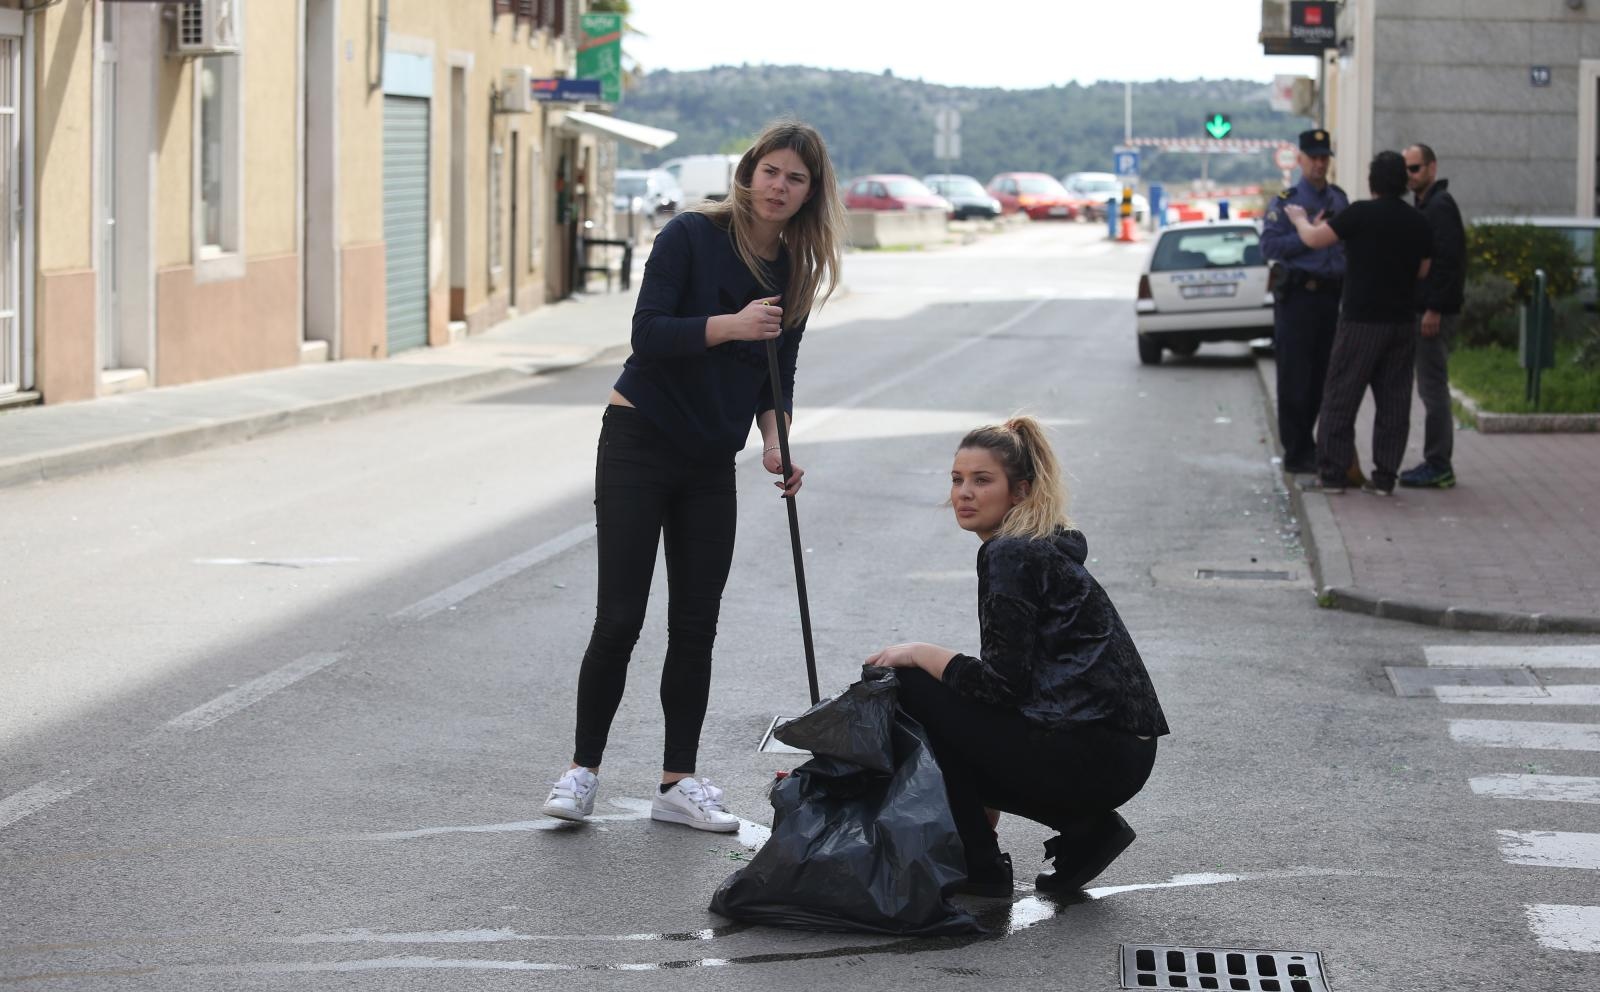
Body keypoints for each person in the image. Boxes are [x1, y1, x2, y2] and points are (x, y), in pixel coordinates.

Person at [541, 120, 846, 831]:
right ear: (749, 172)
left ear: (810, 193)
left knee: (695, 624)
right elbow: (647, 333)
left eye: (795, 178)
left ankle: (677, 783)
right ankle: (581, 773)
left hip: (711, 459)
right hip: (639, 439)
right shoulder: (690, 235)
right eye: (771, 170)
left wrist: (776, 443)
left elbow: (777, 376)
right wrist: (730, 325)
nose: (779, 187)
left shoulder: (793, 272)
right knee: (620, 616)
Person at [864, 418, 1169, 897]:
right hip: (1117, 750)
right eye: (957, 479)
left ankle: (979, 864)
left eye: (982, 480)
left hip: (1095, 752)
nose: (964, 493)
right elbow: (1008, 685)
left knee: (911, 686)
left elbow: (1001, 686)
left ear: (1020, 491)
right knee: (941, 699)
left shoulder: (1009, 554)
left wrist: (921, 653)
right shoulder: (1035, 545)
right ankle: (1086, 830)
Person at [1285, 151, 1433, 496]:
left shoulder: (1360, 214)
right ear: (1403, 182)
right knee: (1394, 401)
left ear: (1372, 183)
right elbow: (1423, 270)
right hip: (1402, 322)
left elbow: (1314, 239)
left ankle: (1332, 474)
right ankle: (1384, 478)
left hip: (1361, 321)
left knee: (1341, 396)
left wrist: (1299, 219)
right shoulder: (1418, 221)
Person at [1260, 129, 1350, 476]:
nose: (1319, 164)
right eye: (1313, 157)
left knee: (1323, 377)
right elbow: (1269, 247)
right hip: (1297, 299)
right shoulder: (1287, 202)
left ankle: (1311, 444)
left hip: (1330, 297)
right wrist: (1307, 234)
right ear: (1300, 159)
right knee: (1295, 377)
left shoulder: (1339, 200)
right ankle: (1296, 451)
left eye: (1324, 157)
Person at [1400, 143, 1465, 490]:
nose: (1410, 176)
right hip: (1426, 309)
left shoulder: (1440, 206)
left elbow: (1448, 262)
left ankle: (1439, 464)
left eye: (1415, 168)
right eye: (1406, 170)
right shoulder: (1425, 205)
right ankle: (1436, 461)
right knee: (1430, 387)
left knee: (1432, 387)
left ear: (1432, 168)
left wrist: (1433, 309)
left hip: (1433, 313)